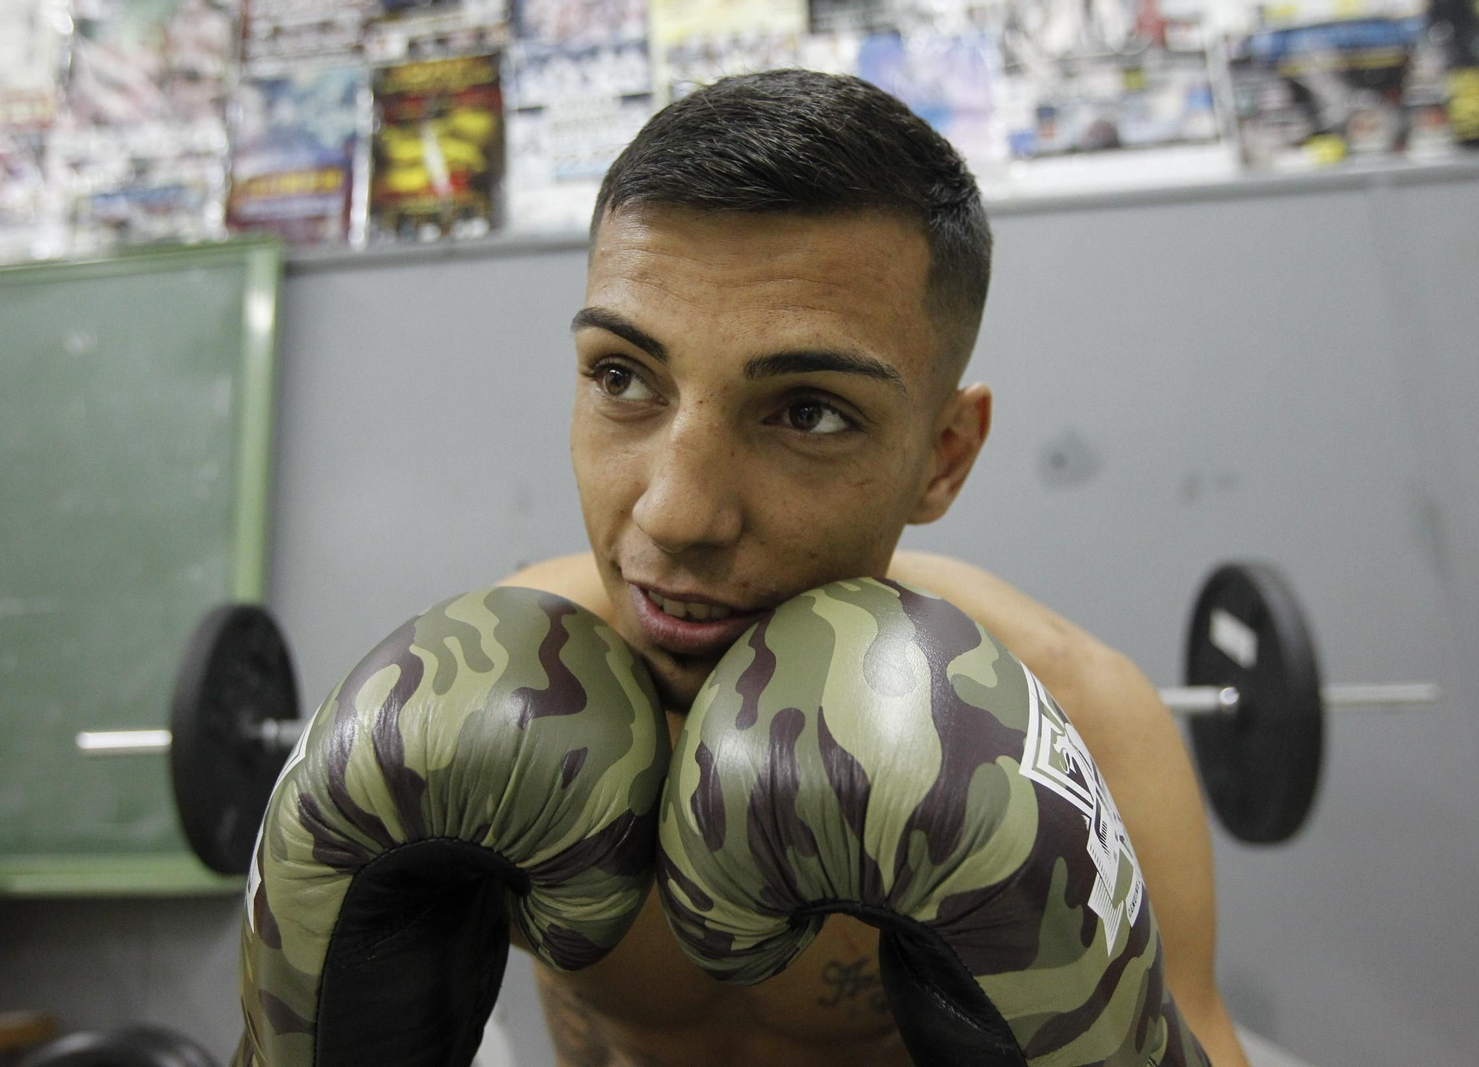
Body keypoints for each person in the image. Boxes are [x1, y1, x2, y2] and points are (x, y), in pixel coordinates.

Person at [494, 68, 1250, 1067]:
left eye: (807, 411)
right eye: (622, 377)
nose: (675, 514)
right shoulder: (486, 707)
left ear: (943, 454)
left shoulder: (1085, 729)